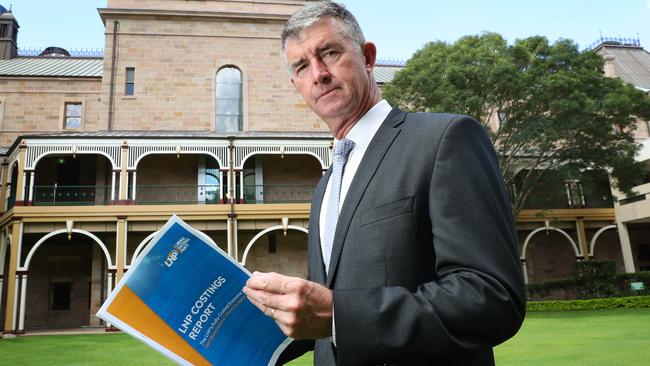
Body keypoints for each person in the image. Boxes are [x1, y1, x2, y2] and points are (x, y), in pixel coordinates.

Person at [243, 2, 526, 365]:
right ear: (296, 85)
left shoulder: (444, 139)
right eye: (302, 66)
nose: (318, 73)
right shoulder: (325, 187)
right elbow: (323, 317)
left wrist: (337, 315)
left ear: (368, 57)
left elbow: (491, 296)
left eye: (329, 53)